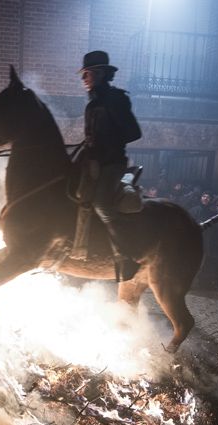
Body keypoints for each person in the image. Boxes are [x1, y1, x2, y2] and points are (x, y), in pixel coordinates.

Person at [75, 50, 142, 282]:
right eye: (82, 74)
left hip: (112, 163)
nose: (83, 78)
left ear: (100, 73)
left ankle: (125, 257)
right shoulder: (91, 104)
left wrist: (104, 145)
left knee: (102, 203)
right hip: (93, 160)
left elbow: (133, 132)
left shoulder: (117, 99)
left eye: (87, 74)